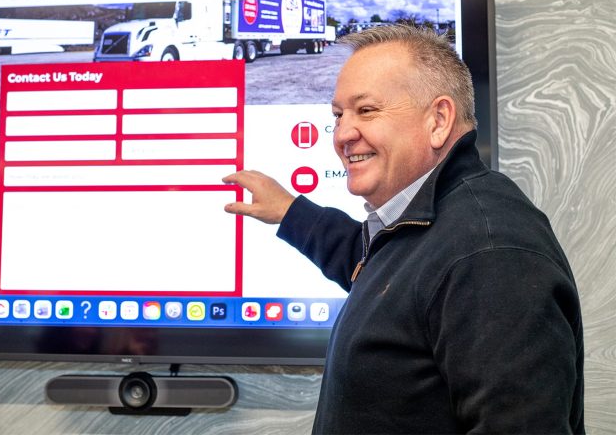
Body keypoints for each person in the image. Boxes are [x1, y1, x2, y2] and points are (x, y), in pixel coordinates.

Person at [223, 25, 584, 433]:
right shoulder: (434, 222)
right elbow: (389, 278)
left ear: (438, 120)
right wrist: (291, 212)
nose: (342, 135)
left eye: (366, 110)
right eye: (338, 115)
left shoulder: (490, 254)